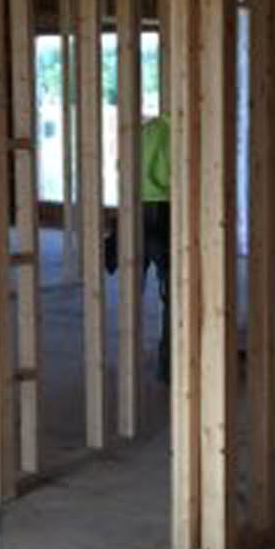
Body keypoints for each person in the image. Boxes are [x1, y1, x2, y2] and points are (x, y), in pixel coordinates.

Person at [105, 114, 172, 382]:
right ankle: (167, 368)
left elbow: (121, 166)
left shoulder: (145, 130)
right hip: (166, 212)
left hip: (133, 210)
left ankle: (128, 360)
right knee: (172, 293)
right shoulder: (179, 133)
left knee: (133, 288)